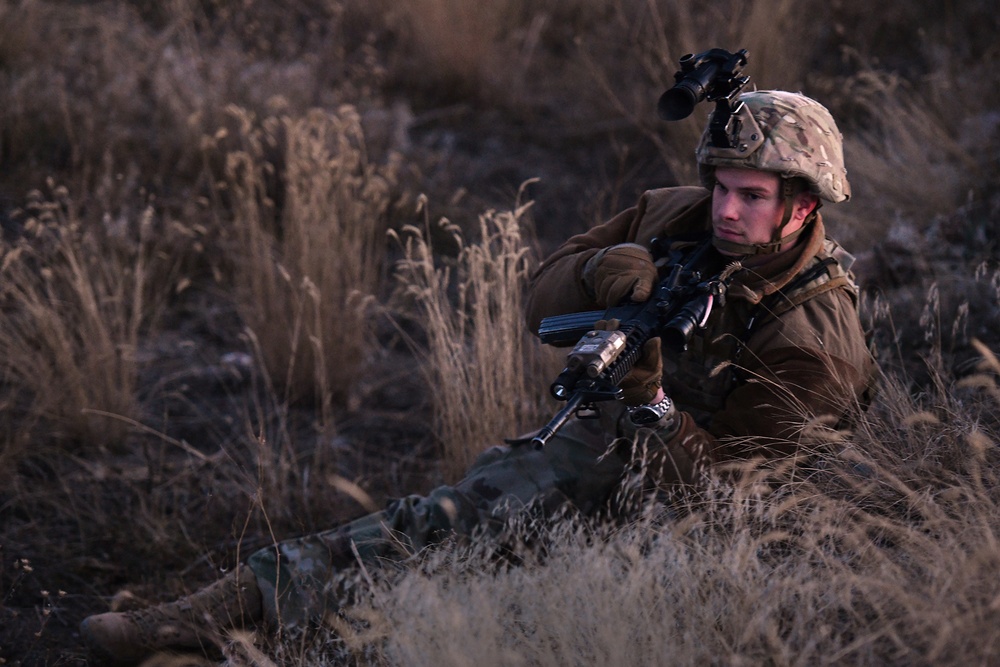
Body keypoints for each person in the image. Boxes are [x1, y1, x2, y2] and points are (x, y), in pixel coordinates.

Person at [79, 89, 876, 663]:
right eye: (720, 189)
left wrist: (653, 401)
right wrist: (599, 270)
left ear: (803, 208)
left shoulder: (813, 341)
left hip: (710, 530)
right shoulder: (676, 215)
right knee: (451, 520)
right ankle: (212, 614)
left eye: (752, 197)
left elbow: (734, 506)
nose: (725, 211)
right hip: (607, 443)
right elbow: (541, 297)